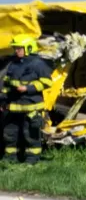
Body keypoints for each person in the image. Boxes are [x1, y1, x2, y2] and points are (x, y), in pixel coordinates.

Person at [2, 35, 53, 165]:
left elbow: (47, 82)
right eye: (15, 48)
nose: (16, 50)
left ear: (29, 48)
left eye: (19, 48)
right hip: (13, 107)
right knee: (10, 133)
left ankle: (32, 160)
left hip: (31, 106)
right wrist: (2, 101)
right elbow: (7, 84)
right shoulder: (13, 64)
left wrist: (28, 88)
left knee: (30, 134)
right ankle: (10, 158)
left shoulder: (38, 64)